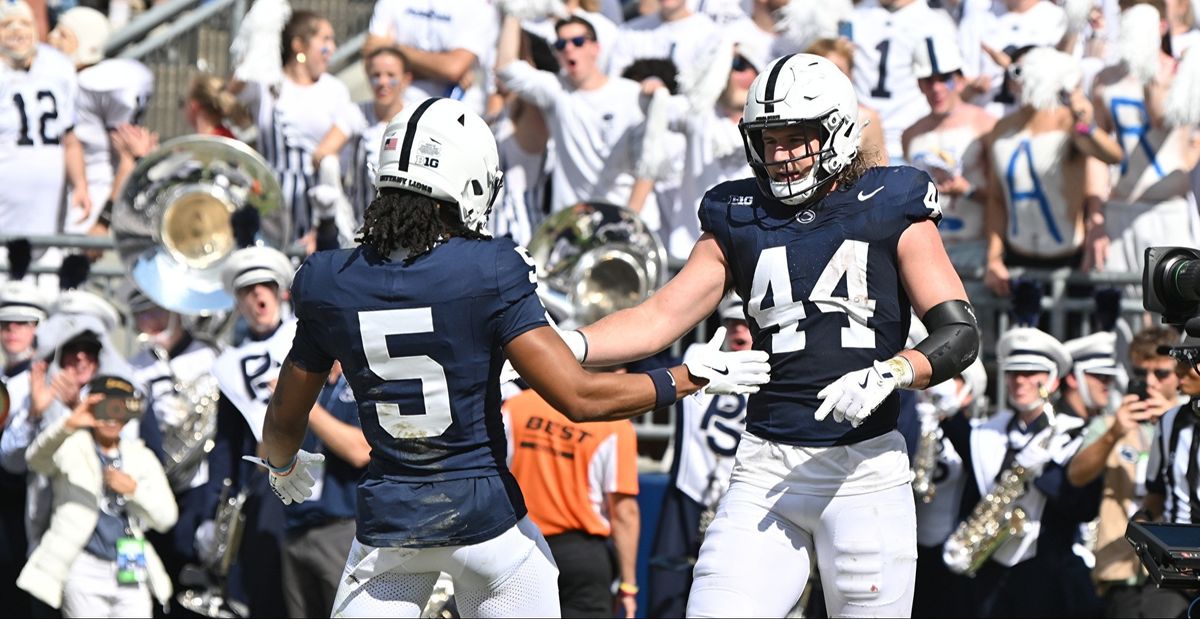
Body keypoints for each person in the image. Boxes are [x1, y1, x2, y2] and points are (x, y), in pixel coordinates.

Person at [251, 97, 769, 618]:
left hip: (391, 530)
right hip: (488, 526)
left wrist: (282, 463)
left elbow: (284, 418)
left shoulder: (326, 279)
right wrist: (686, 376)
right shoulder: (490, 267)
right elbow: (580, 396)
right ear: (469, 183)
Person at [558, 52, 981, 616]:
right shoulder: (737, 213)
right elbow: (659, 317)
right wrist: (571, 345)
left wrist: (895, 370)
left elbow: (958, 333)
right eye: (769, 139)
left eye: (797, 137)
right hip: (766, 468)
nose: (781, 155)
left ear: (836, 131)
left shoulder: (890, 201)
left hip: (864, 472)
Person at [941, 327, 1102, 617]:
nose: (1020, 381)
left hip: (1047, 571)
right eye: (1014, 373)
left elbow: (1082, 505)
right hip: (993, 570)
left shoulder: (1071, 433)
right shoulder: (989, 432)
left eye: (1031, 373)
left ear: (1052, 381)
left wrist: (1043, 473)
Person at [16, 375, 177, 618]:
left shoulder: (140, 456)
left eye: (119, 407)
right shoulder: (72, 445)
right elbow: (35, 458)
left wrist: (134, 490)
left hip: (129, 560)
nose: (111, 416)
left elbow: (167, 518)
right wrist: (70, 423)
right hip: (83, 563)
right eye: (105, 407)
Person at [1064, 329, 1188, 617]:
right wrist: (1114, 434)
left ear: (1180, 372)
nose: (1149, 383)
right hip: (1121, 567)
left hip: (1178, 569)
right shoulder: (1113, 422)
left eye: (1161, 374)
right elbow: (1076, 475)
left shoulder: (1189, 423)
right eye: (1140, 373)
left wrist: (1174, 421)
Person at [982, 46, 1122, 297]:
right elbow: (996, 199)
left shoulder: (1069, 123)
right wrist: (994, 258)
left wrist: (1087, 126)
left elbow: (1113, 155)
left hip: (1067, 263)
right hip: (1018, 260)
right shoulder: (1002, 129)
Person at [502, 375, 641, 618]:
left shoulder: (516, 407)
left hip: (521, 547)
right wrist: (628, 586)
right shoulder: (615, 424)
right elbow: (624, 513)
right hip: (581, 557)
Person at [647, 294, 751, 618]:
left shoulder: (783, 372)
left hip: (746, 501)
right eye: (733, 321)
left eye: (747, 323)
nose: (739, 330)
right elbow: (642, 364)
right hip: (688, 492)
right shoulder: (697, 357)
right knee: (667, 590)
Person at [496, 11, 651, 213]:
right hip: (573, 225)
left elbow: (649, 165)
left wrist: (628, 219)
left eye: (578, 41)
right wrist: (512, 11)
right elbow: (505, 68)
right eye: (561, 45)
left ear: (596, 48)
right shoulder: (557, 90)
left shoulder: (631, 94)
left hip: (621, 219)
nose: (569, 49)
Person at [1091, 2, 1200, 279]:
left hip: (1167, 210)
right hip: (1119, 209)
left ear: (1162, 26)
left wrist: (1150, 68)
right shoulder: (1105, 80)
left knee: (1175, 308)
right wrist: (1095, 219)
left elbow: (1160, 118)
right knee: (1119, 311)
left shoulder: (1183, 73)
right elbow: (1096, 151)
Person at [47, 6, 154, 235]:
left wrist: (102, 221)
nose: (51, 38)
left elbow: (129, 157)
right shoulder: (65, 80)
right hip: (67, 192)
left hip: (94, 196)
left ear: (86, 43)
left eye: (63, 34)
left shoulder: (94, 83)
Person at [0, 0, 87, 280]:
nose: (16, 32)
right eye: (5, 25)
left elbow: (70, 138)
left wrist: (81, 185)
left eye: (24, 24)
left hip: (50, 211)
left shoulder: (57, 66)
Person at [901, 33, 997, 273]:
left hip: (976, 247)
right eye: (927, 80)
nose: (936, 88)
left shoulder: (985, 125)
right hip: (929, 254)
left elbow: (1004, 198)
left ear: (960, 79)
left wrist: (968, 190)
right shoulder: (911, 134)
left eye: (944, 78)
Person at [312, 46, 411, 226]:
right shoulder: (356, 113)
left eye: (390, 75)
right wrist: (333, 163)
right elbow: (322, 153)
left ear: (405, 79)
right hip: (362, 225)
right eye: (376, 75)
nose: (382, 82)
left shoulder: (414, 119)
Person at [363, 0, 497, 114]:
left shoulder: (476, 5)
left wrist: (394, 48)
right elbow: (372, 53)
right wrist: (441, 70)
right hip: (399, 109)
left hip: (456, 111)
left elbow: (453, 68)